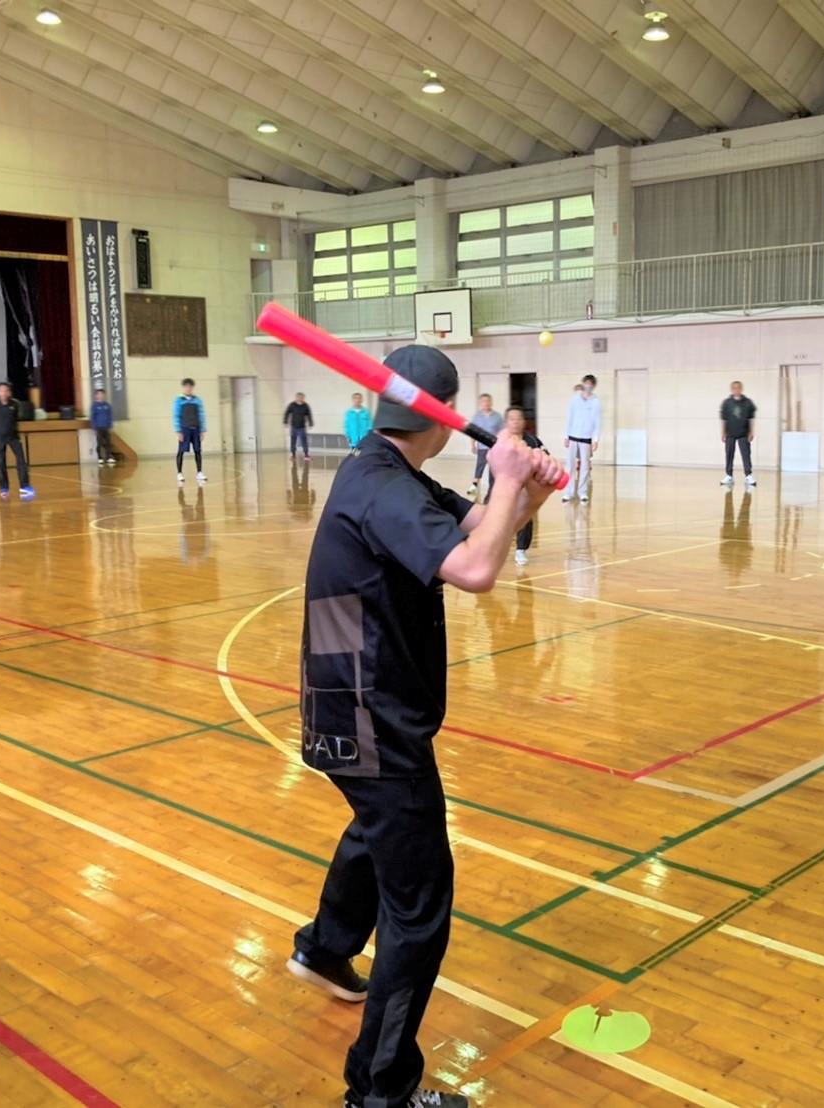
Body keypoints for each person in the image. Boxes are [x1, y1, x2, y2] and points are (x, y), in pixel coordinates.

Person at [287, 345, 560, 1108]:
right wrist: (505, 476)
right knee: (420, 908)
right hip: (370, 717)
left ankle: (324, 948)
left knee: (378, 828)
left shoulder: (387, 472)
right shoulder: (382, 489)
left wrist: (526, 490)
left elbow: (482, 529)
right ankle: (379, 1091)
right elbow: (476, 570)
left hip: (355, 704)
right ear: (440, 418)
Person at [492, 406, 543, 565]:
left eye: (518, 418)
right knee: (498, 519)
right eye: (511, 419)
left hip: (525, 487)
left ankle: (521, 549)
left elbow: (543, 460)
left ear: (523, 421)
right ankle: (494, 549)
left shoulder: (533, 441)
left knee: (525, 516)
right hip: (503, 486)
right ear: (506, 422)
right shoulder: (500, 442)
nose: (515, 422)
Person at [0, 381, 34, 500]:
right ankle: (4, 488)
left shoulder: (14, 405)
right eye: (1, 390)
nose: (3, 393)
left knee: (21, 461)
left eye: (6, 391)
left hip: (13, 437)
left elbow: (16, 419)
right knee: (1, 463)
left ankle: (24, 486)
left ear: (9, 392)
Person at [562, 374, 601, 503]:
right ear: (583, 383)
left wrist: (595, 439)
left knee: (585, 466)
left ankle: (582, 492)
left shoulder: (596, 401)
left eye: (590, 384)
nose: (588, 386)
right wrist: (566, 435)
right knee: (570, 466)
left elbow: (597, 422)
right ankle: (568, 493)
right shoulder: (574, 399)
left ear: (593, 386)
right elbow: (569, 417)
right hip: (573, 436)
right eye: (586, 383)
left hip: (586, 437)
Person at [719, 381, 756, 488]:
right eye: (734, 388)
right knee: (729, 454)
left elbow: (751, 418)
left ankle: (748, 475)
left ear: (741, 389)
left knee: (746, 454)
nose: (736, 390)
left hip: (743, 433)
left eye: (738, 388)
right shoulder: (726, 403)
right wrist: (723, 432)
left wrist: (751, 431)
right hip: (730, 433)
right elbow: (724, 419)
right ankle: (729, 475)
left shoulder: (748, 402)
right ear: (731, 389)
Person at [465, 393, 504, 495]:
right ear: (480, 403)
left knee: (493, 472)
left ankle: (491, 494)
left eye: (488, 401)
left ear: (491, 402)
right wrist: (472, 445)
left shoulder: (497, 416)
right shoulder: (477, 417)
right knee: (478, 470)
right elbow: (473, 432)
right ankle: (473, 491)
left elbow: (503, 432)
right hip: (482, 447)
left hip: (494, 448)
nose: (486, 403)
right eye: (483, 401)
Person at [172, 378, 206, 484]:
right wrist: (178, 431)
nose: (188, 388)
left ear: (192, 387)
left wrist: (202, 430)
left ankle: (199, 472)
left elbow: (201, 415)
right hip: (184, 429)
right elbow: (176, 416)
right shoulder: (179, 400)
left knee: (198, 451)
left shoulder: (197, 400)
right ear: (183, 387)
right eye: (186, 386)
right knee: (181, 451)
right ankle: (179, 473)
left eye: (190, 386)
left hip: (196, 429)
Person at [90, 388, 115, 466]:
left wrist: (111, 426)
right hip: (98, 427)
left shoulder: (107, 405)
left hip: (106, 427)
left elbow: (110, 416)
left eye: (102, 394)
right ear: (96, 396)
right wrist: (94, 427)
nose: (101, 395)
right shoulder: (94, 406)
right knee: (99, 443)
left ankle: (109, 457)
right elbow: (93, 417)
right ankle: (99, 458)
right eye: (99, 394)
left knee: (108, 443)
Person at [285, 392, 314, 459]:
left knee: (304, 441)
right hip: (293, 426)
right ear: (296, 397)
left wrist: (310, 423)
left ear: (303, 398)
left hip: (302, 427)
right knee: (293, 441)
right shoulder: (292, 405)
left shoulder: (305, 406)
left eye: (301, 397)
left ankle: (306, 455)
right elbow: (287, 413)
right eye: (298, 397)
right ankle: (293, 455)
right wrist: (285, 421)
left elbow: (309, 415)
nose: (300, 398)